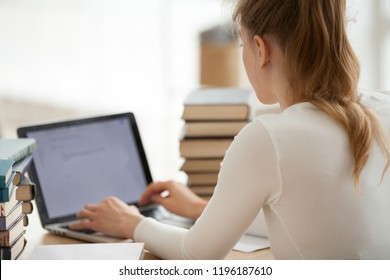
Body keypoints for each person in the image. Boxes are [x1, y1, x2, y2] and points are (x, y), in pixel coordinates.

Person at [70, 0, 390, 259]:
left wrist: (131, 222)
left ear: (260, 49)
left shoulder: (268, 138)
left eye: (242, 43)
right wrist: (202, 209)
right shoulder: (383, 107)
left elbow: (196, 255)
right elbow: (318, 220)